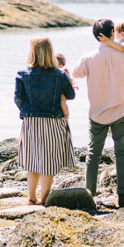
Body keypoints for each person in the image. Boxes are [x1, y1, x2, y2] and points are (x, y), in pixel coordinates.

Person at [72, 19, 124, 207]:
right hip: (121, 109)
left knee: (93, 153)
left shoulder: (88, 57)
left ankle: (90, 194)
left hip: (97, 112)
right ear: (111, 33)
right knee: (122, 153)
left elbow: (76, 74)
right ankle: (122, 195)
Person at [14, 37, 77, 205]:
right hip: (54, 121)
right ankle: (44, 199)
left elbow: (18, 99)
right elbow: (71, 95)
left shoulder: (23, 73)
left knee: (32, 161)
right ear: (50, 51)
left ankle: (31, 198)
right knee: (48, 162)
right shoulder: (59, 74)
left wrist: (27, 112)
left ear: (32, 52)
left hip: (31, 121)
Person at [55, 53, 78, 121]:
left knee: (62, 101)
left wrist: (73, 84)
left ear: (62, 64)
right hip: (58, 90)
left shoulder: (64, 70)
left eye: (59, 64)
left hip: (63, 91)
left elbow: (70, 79)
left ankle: (66, 115)